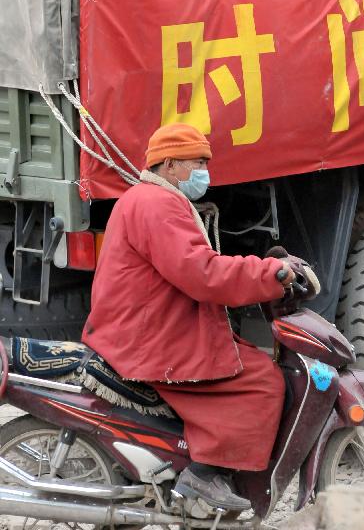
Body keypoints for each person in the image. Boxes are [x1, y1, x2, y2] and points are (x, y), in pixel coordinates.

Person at [82, 123, 297, 511]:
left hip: (149, 324)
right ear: (169, 165)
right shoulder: (158, 204)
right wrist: (267, 274)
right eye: (197, 162)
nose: (204, 171)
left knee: (244, 359)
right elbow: (202, 274)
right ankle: (203, 474)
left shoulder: (149, 198)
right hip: (151, 336)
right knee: (263, 381)